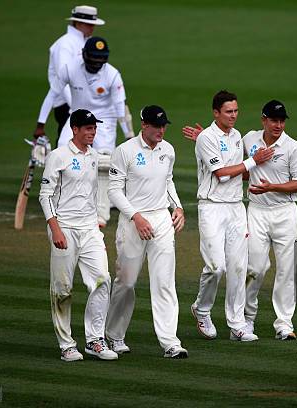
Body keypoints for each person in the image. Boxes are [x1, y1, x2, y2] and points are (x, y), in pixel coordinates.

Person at [189, 90, 273, 342]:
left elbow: (238, 173)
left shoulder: (236, 136)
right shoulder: (206, 137)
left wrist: (259, 175)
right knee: (216, 267)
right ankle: (201, 310)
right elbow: (223, 174)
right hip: (212, 208)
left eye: (236, 111)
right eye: (228, 111)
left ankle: (237, 325)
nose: (234, 116)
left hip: (236, 207)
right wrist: (253, 161)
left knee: (238, 267)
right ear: (216, 112)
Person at [105, 105, 188, 359]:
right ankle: (114, 335)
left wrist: (179, 207)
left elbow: (168, 180)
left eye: (164, 126)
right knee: (126, 282)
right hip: (133, 221)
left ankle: (170, 342)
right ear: (144, 125)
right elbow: (114, 191)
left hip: (162, 220)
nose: (161, 130)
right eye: (156, 126)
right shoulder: (125, 151)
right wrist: (136, 217)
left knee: (164, 282)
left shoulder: (168, 150)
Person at [39, 109, 117, 362]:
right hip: (64, 229)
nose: (93, 132)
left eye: (94, 128)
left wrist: (98, 220)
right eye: (88, 128)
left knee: (103, 280)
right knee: (62, 289)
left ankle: (95, 340)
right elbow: (45, 195)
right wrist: (55, 229)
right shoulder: (58, 156)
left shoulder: (95, 156)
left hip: (90, 230)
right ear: (74, 130)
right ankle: (66, 345)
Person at [242, 100, 297, 340]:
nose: (278, 125)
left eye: (281, 121)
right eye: (274, 120)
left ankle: (284, 323)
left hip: (285, 213)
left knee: (286, 271)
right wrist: (204, 139)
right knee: (255, 268)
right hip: (256, 212)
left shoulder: (294, 148)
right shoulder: (249, 139)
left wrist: (272, 187)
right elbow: (238, 164)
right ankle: (247, 319)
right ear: (264, 120)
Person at [52, 36, 133, 228]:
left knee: (104, 162)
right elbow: (55, 92)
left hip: (106, 119)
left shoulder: (112, 74)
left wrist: (128, 134)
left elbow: (121, 107)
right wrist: (40, 125)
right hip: (79, 114)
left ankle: (101, 214)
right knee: (62, 156)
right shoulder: (72, 68)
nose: (97, 63)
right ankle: (65, 204)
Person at [33, 5, 105, 143]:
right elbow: (64, 80)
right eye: (89, 24)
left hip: (84, 102)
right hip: (67, 105)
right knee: (66, 147)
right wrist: (76, 107)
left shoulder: (85, 42)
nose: (92, 28)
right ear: (78, 23)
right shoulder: (64, 45)